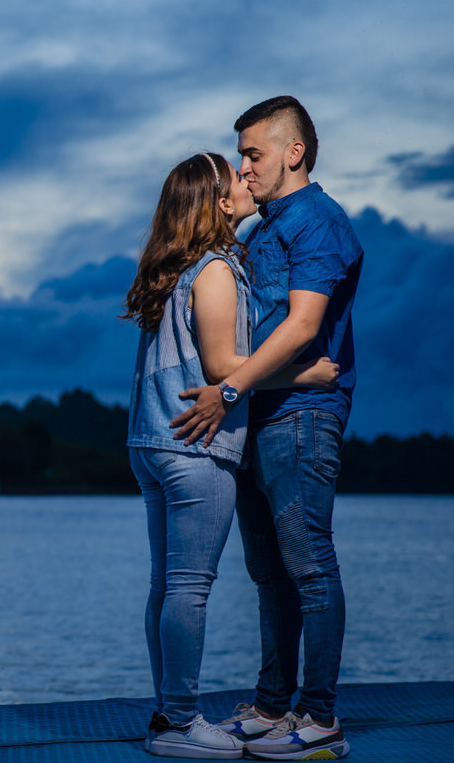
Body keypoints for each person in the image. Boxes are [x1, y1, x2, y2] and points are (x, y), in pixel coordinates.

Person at [124, 151, 338, 759]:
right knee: (189, 587)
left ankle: (167, 714)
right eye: (235, 175)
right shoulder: (214, 269)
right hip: (194, 447)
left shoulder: (170, 270)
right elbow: (223, 368)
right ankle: (179, 720)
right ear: (221, 203)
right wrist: (305, 373)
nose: (247, 179)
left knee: (166, 585)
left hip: (150, 442)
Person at [171, 96, 363, 760]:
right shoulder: (259, 232)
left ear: (294, 152)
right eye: (241, 156)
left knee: (309, 563)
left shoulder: (319, 222)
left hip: (304, 416)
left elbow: (304, 326)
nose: (244, 168)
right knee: (269, 573)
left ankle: (321, 718)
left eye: (253, 154)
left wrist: (229, 389)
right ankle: (274, 705)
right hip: (259, 413)